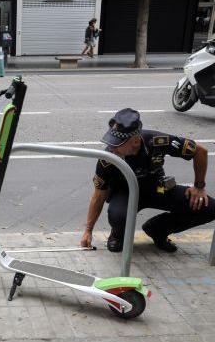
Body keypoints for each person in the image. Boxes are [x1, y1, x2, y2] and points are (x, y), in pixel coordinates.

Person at [80, 108, 215, 253]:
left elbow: (200, 151)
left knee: (209, 208)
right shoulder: (108, 158)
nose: (112, 148)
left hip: (156, 187)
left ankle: (158, 229)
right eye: (111, 142)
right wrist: (88, 231)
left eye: (117, 144)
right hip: (125, 192)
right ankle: (118, 235)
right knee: (117, 216)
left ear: (135, 141)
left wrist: (199, 187)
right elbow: (98, 196)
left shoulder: (157, 141)